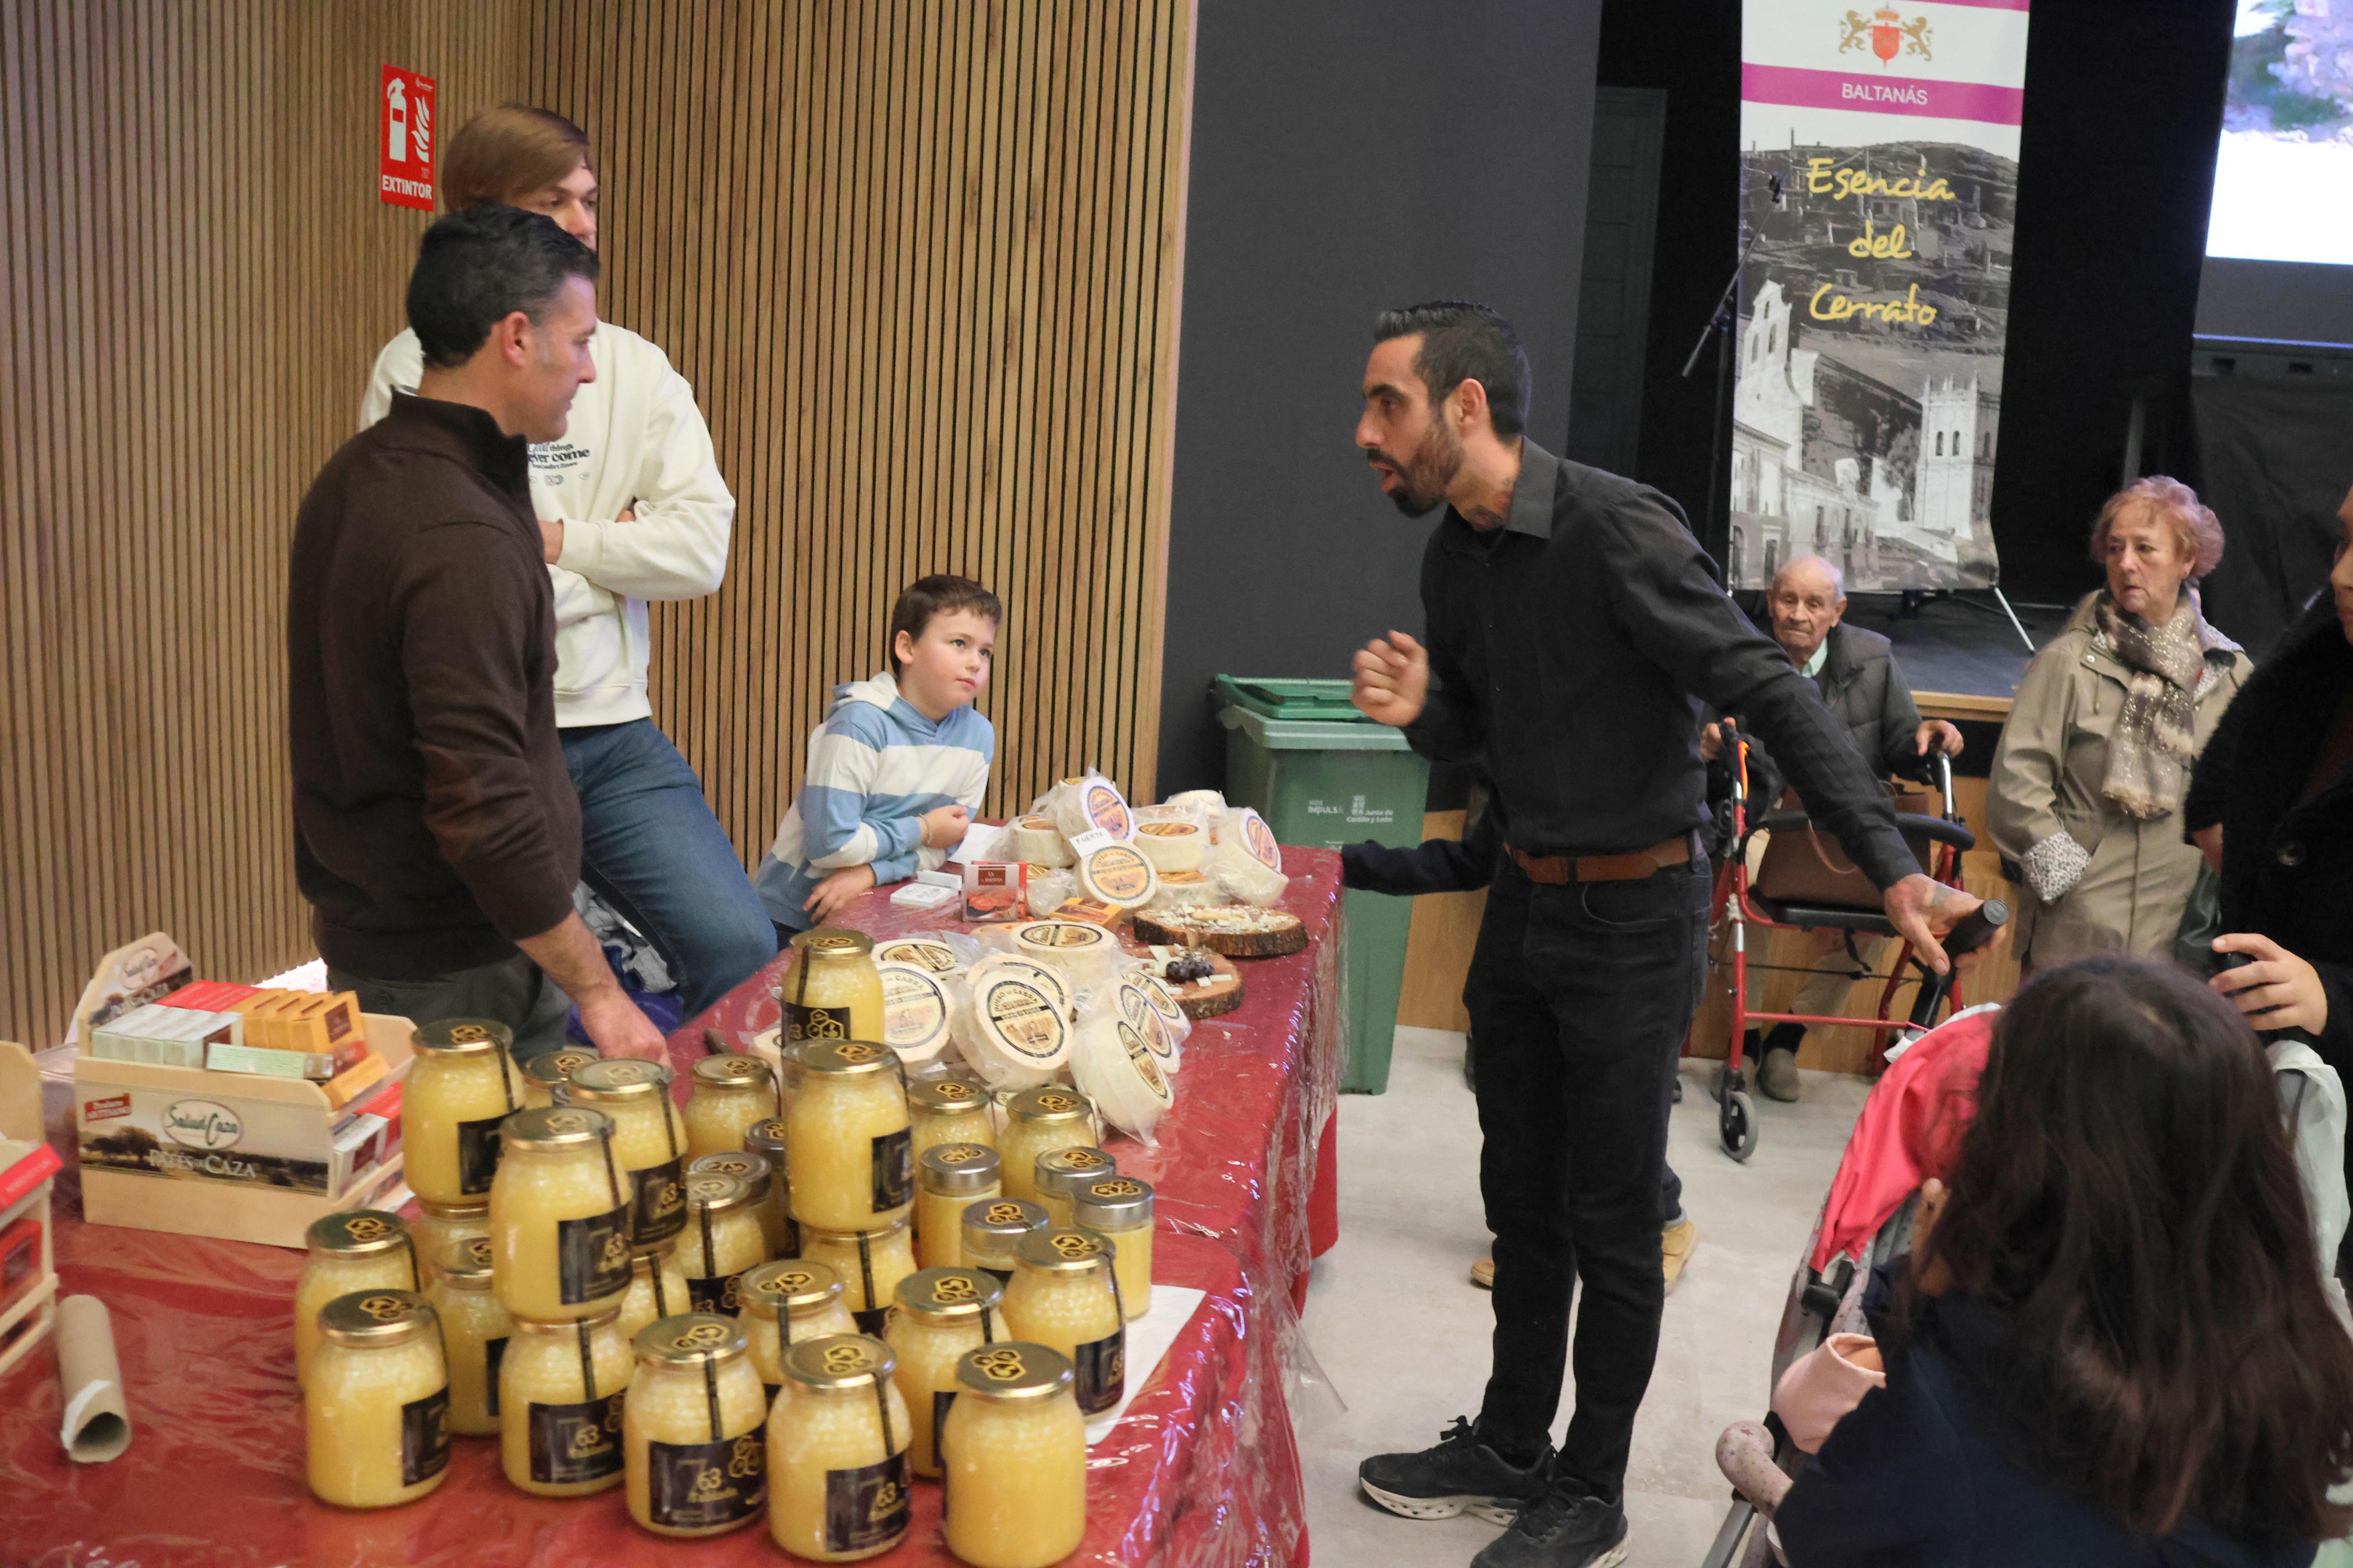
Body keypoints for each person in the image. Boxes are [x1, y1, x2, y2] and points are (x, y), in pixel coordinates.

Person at [1344, 301, 1980, 1568]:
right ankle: (1511, 1441)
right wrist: (1426, 714)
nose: (1364, 432)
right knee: (1516, 1197)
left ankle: (1590, 1484)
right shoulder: (1453, 559)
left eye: (1386, 405)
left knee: (1613, 1216)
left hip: (1633, 916)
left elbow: (1764, 691)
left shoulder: (1614, 527)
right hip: (1522, 903)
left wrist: (1891, 864)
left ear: (1464, 408)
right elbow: (1485, 732)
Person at [361, 105, 773, 1018]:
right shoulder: (418, 369)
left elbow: (701, 551)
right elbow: (460, 589)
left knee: (741, 946)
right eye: (556, 201)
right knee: (519, 1004)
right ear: (482, 213)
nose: (584, 223)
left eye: (589, 200)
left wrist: (560, 540)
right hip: (488, 739)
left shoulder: (634, 367)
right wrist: (614, 554)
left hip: (615, 732)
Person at [1776, 957, 2353, 1566]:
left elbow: (1816, 1531)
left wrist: (1924, 1300)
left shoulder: (1952, 1417)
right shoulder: (2293, 1386)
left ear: (2016, 1153)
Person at [289, 205, 665, 1063]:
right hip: (454, 965)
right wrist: (599, 992)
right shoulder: (458, 534)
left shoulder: (365, 469)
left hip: (398, 941)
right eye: (581, 342)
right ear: (517, 337)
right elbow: (484, 812)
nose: (592, 371)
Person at [1341, 784, 1703, 1294]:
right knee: (1523, 1106)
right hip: (1527, 925)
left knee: (1606, 1112)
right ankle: (1530, 1244)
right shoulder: (1522, 757)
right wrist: (1343, 864)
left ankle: (1667, 1222)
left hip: (1630, 922)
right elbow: (1472, 860)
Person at [1701, 554, 1964, 1102]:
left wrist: (1927, 740)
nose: (1797, 614)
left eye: (1813, 604)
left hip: (1849, 827)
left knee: (1884, 908)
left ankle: (1787, 1039)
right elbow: (1709, 736)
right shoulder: (1740, 655)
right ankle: (1746, 1043)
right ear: (1769, 602)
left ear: (1836, 611)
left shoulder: (1872, 660)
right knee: (1742, 887)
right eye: (1786, 600)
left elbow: (1899, 742)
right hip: (1769, 820)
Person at [1988, 477, 2251, 973]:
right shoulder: (2067, 663)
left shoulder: (2227, 672)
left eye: (2144, 549)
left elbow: (2248, 801)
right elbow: (2015, 788)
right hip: (2077, 929)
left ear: (2187, 560)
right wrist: (2071, 882)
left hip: (2181, 937)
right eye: (2114, 548)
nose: (2125, 563)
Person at [2190, 481, 2353, 1231]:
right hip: (2262, 1079)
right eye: (2343, 542)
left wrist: (2334, 997)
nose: (2344, 573)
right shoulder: (2318, 655)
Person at [755, 575, 998, 933]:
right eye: (959, 643)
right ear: (907, 648)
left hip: (888, 903)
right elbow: (830, 847)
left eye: (985, 651)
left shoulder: (979, 736)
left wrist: (871, 872)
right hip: (795, 918)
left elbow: (949, 842)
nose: (975, 662)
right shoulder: (859, 722)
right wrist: (925, 828)